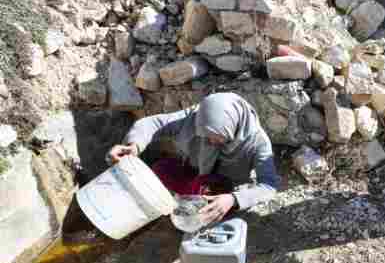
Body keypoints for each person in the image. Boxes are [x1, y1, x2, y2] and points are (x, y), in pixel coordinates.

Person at [107, 92, 280, 225]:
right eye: (205, 136)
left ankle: (181, 205)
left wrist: (233, 199)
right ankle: (172, 202)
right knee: (160, 170)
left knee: (204, 208)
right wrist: (134, 145)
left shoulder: (258, 142)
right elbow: (153, 123)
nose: (210, 142)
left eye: (217, 137)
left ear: (233, 126)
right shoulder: (196, 117)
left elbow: (268, 186)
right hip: (193, 172)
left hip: (220, 188)